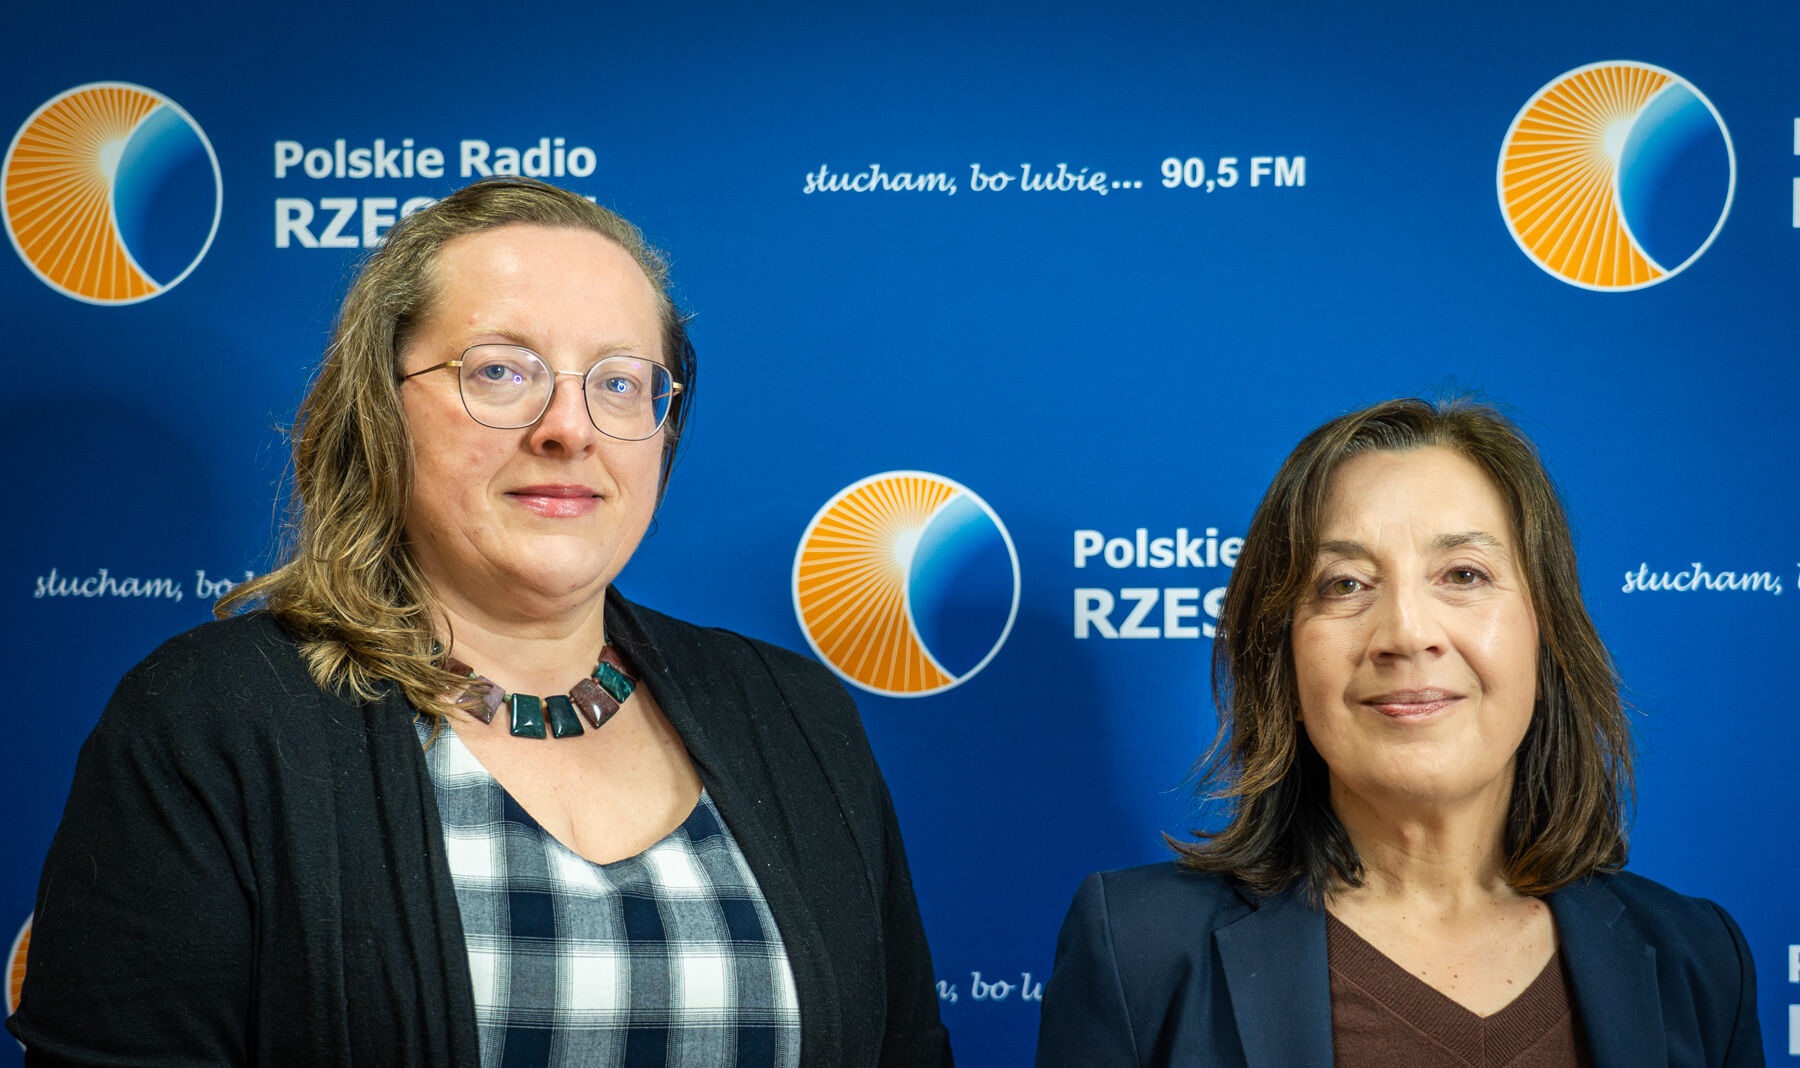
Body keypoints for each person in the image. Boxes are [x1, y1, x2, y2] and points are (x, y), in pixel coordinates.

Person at [9, 177, 953, 1067]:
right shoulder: (209, 722)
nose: (569, 428)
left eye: (621, 382)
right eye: (502, 370)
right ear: (380, 408)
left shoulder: (795, 717)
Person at [1035, 398, 1763, 1067]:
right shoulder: (1139, 950)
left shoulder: (1700, 961)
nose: (1408, 633)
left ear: (1547, 640)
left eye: (1464, 575)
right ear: (1284, 664)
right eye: (1345, 584)